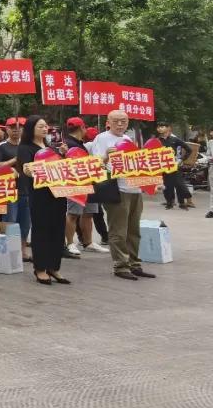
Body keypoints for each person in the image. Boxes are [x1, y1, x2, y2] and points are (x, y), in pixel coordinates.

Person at [91, 110, 155, 281]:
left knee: (134, 230)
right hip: (116, 190)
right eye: (116, 121)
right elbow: (94, 165)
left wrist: (151, 182)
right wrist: (106, 156)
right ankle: (121, 265)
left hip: (134, 189)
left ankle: (134, 264)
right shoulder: (102, 138)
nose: (120, 125)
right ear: (108, 122)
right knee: (118, 231)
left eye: (123, 121)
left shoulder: (127, 139)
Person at [19, 116, 69, 286]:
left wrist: (62, 155)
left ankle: (54, 267)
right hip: (40, 194)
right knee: (41, 231)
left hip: (58, 193)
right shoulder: (25, 148)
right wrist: (29, 170)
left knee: (58, 230)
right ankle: (40, 268)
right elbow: (26, 169)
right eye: (40, 126)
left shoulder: (51, 148)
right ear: (31, 128)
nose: (44, 128)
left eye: (45, 126)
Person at [62, 117, 109, 256]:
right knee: (73, 214)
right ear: (82, 128)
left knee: (88, 213)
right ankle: (70, 243)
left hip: (89, 181)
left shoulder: (79, 144)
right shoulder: (68, 144)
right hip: (75, 184)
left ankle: (88, 242)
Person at [0, 118, 32, 262]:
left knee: (25, 224)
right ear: (7, 130)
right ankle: (8, 252)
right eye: (12, 127)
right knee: (10, 222)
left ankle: (22, 252)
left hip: (27, 189)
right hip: (9, 192)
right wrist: (14, 160)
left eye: (19, 127)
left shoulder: (27, 145)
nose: (16, 130)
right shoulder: (1, 146)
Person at [156, 122, 197, 210]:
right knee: (167, 185)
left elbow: (188, 149)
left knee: (179, 184)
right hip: (163, 167)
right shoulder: (157, 141)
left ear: (168, 128)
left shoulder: (174, 139)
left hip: (175, 166)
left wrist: (182, 160)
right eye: (158, 127)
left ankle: (182, 202)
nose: (159, 129)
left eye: (162, 127)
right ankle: (169, 203)